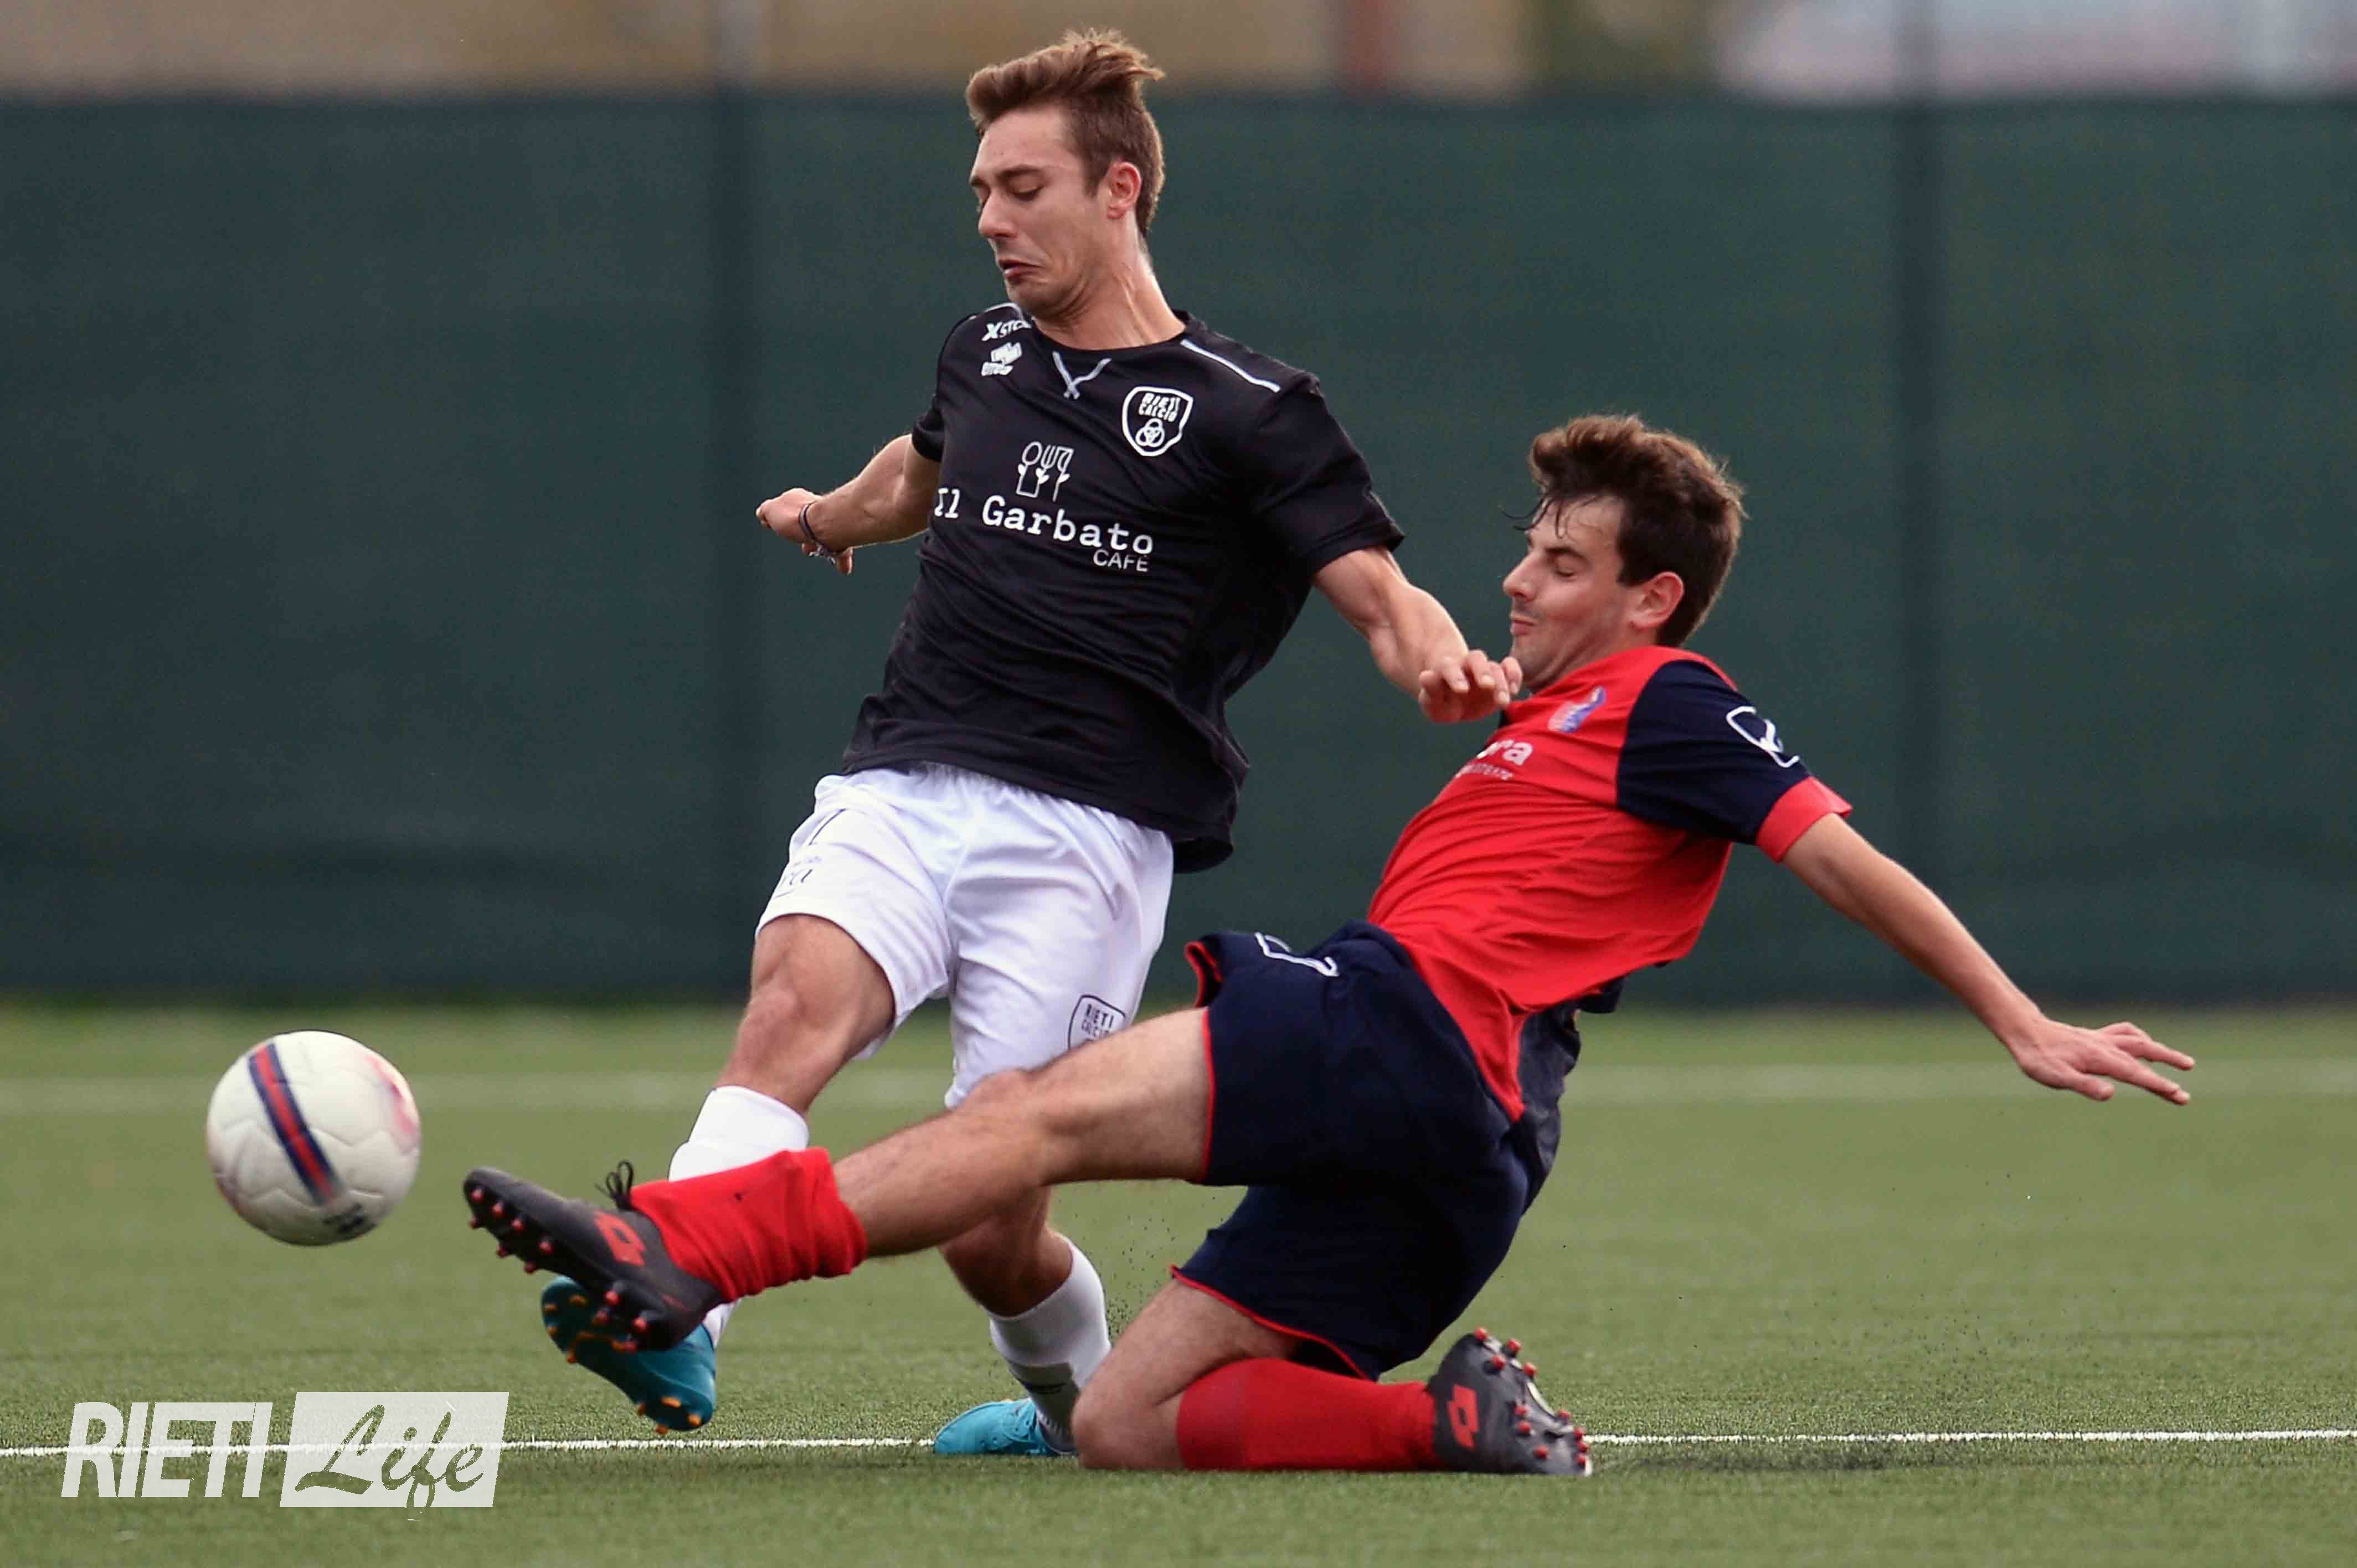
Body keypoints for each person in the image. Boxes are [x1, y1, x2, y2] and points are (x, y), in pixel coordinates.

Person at [476, 413, 2192, 1474]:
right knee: (1131, 1426)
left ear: (1652, 598)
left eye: (1560, 561)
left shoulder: (1671, 698)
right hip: (1479, 1147)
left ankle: (684, 1249)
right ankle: (1449, 1425)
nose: (1519, 579)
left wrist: (2018, 1019)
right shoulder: (1552, 715)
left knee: (1030, 1116)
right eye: (1527, 550)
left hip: (1418, 1027)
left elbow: (1841, 855)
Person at [534, 29, 1515, 1453]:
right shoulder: (981, 349)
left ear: (1120, 189)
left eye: (1023, 187)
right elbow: (916, 475)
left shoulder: (1252, 410)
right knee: (789, 1016)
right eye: (982, 192)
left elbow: (1375, 587)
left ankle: (1073, 1413)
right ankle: (678, 1310)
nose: (992, 219)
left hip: (1086, 836)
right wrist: (825, 515)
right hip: (905, 778)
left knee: (990, 1224)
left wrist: (1435, 658)